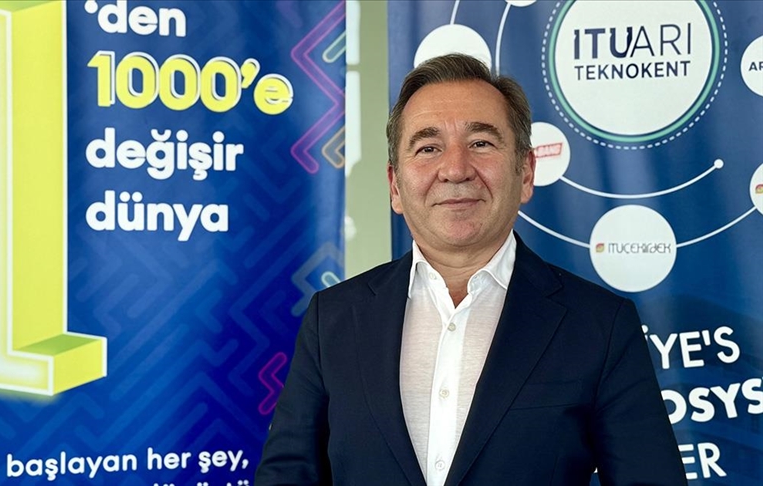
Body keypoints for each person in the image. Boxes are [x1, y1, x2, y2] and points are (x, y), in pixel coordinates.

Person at [255, 53, 686, 486]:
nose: (455, 169)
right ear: (395, 186)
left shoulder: (600, 325)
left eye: (480, 143)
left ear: (526, 172)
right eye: (428, 148)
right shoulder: (333, 318)